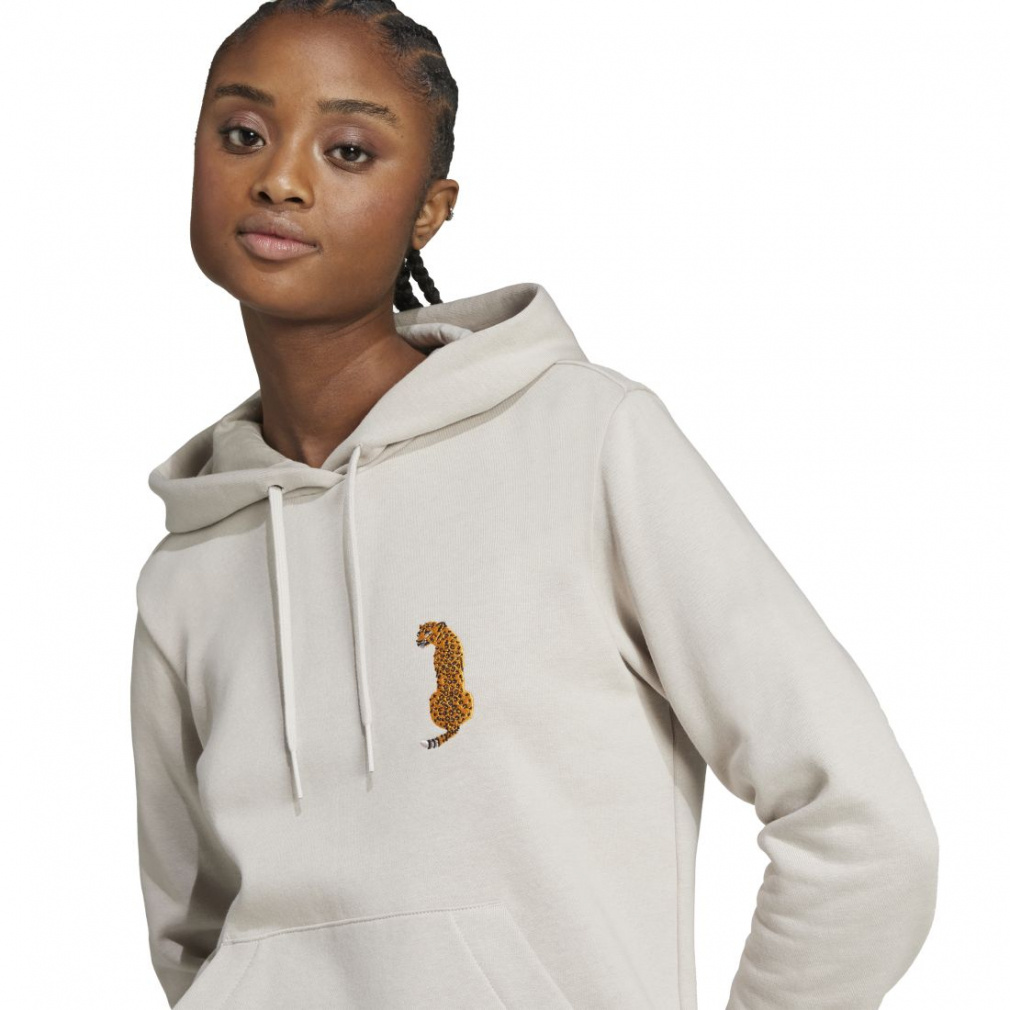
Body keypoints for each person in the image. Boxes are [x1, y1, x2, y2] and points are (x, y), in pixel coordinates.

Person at [128, 2, 939, 1008]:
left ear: (429, 210)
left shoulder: (583, 441)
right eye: (243, 133)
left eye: (349, 151)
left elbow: (864, 834)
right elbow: (194, 942)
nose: (280, 179)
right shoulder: (190, 564)